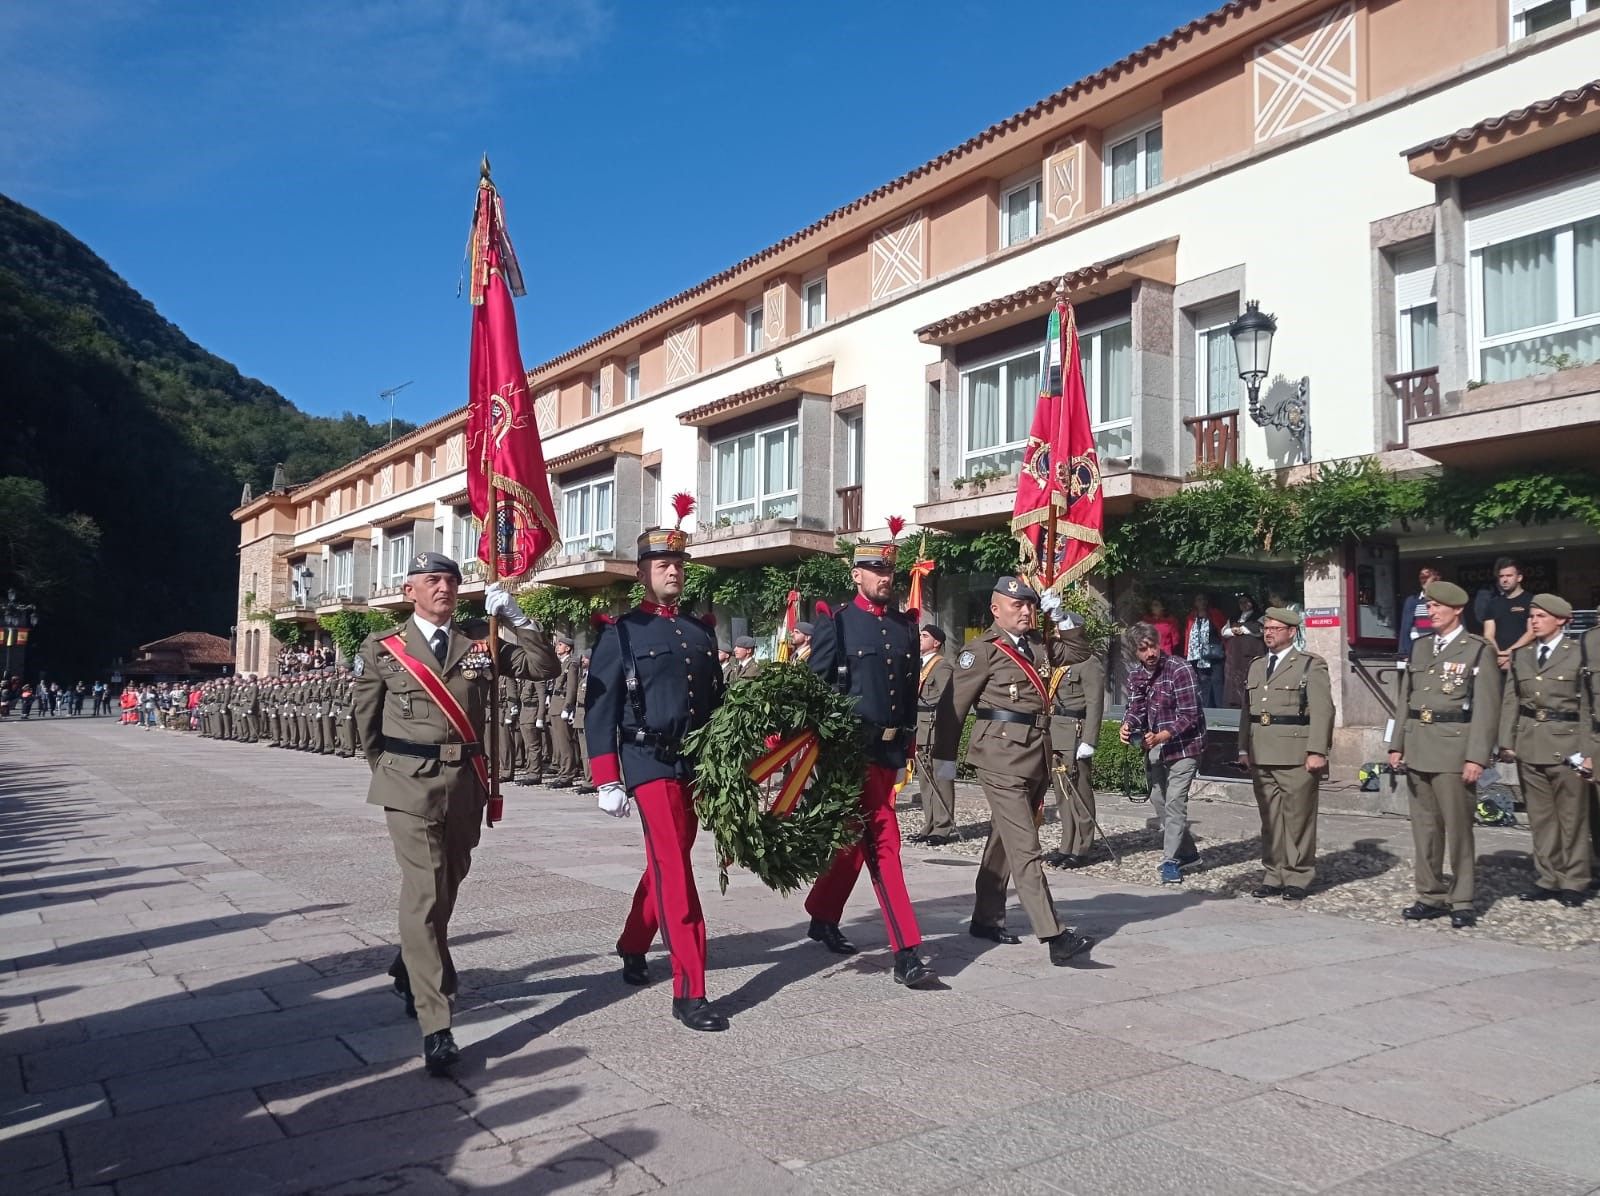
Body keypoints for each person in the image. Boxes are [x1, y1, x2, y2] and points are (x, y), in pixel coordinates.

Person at [352, 551, 558, 1075]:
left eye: (450, 580)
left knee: (448, 884)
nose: (443, 588)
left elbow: (542, 667)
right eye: (432, 580)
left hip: (467, 782)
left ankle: (408, 960)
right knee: (425, 890)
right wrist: (393, 774)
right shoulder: (385, 650)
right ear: (410, 591)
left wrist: (517, 619)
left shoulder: (480, 644)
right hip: (410, 785)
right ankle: (436, 1020)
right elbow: (366, 723)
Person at [586, 523, 729, 1031]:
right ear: (642, 572)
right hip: (648, 764)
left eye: (679, 563)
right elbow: (600, 710)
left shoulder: (699, 631)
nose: (673, 570)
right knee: (676, 869)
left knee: (669, 862)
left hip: (695, 763)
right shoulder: (620, 632)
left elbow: (716, 705)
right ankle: (690, 988)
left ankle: (631, 943)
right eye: (662, 563)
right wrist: (607, 777)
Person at [802, 538, 936, 987]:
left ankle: (821, 913)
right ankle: (907, 951)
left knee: (854, 842)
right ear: (856, 575)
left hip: (887, 752)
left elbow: (907, 694)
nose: (884, 578)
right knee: (884, 844)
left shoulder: (903, 627)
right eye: (875, 571)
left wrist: (909, 746)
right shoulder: (836, 625)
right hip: (848, 756)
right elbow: (812, 693)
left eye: (889, 572)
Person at [945, 578, 1096, 965]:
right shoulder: (981, 651)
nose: (1026, 612)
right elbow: (954, 708)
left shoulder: (1038, 647)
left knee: (1003, 841)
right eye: (1018, 606)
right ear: (996, 610)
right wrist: (944, 762)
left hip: (1035, 756)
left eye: (1030, 605)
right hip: (1000, 758)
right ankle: (1055, 935)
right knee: (1026, 846)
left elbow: (1080, 650)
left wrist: (1060, 616)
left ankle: (985, 918)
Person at [1387, 580, 1501, 929]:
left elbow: (1486, 708)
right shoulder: (1421, 648)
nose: (1430, 612)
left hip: (1454, 749)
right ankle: (1429, 894)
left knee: (1458, 829)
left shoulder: (1477, 649)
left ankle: (1463, 898)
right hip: (1419, 745)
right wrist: (1396, 744)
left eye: (1437, 607)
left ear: (1456, 610)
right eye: (1429, 606)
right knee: (1424, 827)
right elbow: (1405, 699)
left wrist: (1477, 757)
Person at [1237, 608, 1333, 900]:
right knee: (1270, 819)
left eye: (1276, 628)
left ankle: (1298, 875)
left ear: (1292, 632)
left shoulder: (1309, 665)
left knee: (1298, 818)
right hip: (1262, 751)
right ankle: (1274, 873)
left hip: (1295, 753)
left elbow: (1323, 711)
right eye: (1266, 628)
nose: (1269, 633)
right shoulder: (1256, 665)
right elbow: (1247, 712)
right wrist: (1243, 747)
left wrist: (1317, 751)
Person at [1499, 594, 1588, 907]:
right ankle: (1548, 877)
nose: (1534, 621)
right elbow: (1511, 699)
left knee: (1572, 818)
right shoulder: (1522, 655)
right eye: (1532, 616)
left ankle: (1575, 880)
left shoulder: (1579, 654)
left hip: (1568, 744)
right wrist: (1506, 740)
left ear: (1561, 620)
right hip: (1530, 742)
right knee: (1540, 818)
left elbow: (1589, 704)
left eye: (1541, 616)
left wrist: (1588, 749)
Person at [1121, 623, 1207, 884]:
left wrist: (1162, 735)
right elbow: (1136, 708)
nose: (1150, 653)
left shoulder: (1179, 669)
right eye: (1143, 649)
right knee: (1159, 799)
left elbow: (1190, 714)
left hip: (1185, 745)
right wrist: (1128, 724)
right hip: (1156, 746)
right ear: (1135, 652)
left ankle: (1171, 860)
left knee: (1175, 802)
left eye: (1153, 646)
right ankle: (1190, 854)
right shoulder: (1137, 675)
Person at [1045, 620, 1105, 869]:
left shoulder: (1089, 663)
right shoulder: (1062, 661)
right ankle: (1066, 845)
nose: (1057, 634)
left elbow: (1095, 704)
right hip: (1056, 730)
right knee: (1061, 793)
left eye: (1062, 631)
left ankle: (1082, 847)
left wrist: (1089, 740)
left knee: (1079, 792)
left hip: (1075, 732)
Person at [910, 624, 958, 846]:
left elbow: (947, 701)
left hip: (936, 729)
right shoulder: (920, 666)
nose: (920, 638)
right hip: (921, 729)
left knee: (942, 779)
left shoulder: (942, 667)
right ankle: (929, 824)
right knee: (925, 780)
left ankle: (943, 827)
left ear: (936, 642)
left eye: (925, 636)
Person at [1483, 558, 1535, 671]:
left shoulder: (1531, 601)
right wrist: (1499, 654)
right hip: (1498, 661)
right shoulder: (1493, 604)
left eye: (1509, 576)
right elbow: (1488, 634)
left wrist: (1509, 652)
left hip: (1524, 659)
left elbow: (1531, 632)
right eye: (1501, 576)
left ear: (1519, 578)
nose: (1504, 580)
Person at [544, 634, 581, 787]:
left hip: (562, 705)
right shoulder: (558, 664)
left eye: (560, 645)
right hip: (554, 704)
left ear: (567, 648)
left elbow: (572, 687)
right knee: (559, 743)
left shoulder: (570, 664)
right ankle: (564, 770)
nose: (557, 647)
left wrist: (568, 706)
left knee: (565, 742)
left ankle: (567, 774)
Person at [1221, 593, 1266, 709]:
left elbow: (1261, 630)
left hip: (1251, 652)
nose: (1244, 605)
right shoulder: (1234, 617)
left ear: (1252, 602)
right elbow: (1224, 632)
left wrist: (1243, 629)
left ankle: (1250, 702)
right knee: (1234, 679)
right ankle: (1235, 702)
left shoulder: (1260, 616)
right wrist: (1233, 631)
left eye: (1246, 602)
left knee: (1249, 676)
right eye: (1241, 602)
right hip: (1235, 654)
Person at [1182, 592, 1226, 708]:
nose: (1202, 602)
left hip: (1214, 654)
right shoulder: (1192, 617)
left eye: (1203, 599)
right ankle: (1206, 710)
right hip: (1198, 656)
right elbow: (1188, 635)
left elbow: (1223, 631)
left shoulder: (1214, 614)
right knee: (1203, 683)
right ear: (1195, 603)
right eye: (1199, 600)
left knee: (1217, 682)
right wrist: (1187, 653)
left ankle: (1220, 710)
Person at [1397, 565, 1442, 655]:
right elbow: (1405, 628)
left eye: (1427, 577)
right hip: (1417, 647)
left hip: (1440, 646)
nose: (1423, 580)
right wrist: (1404, 652)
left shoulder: (1445, 599)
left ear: (1437, 578)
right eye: (1421, 577)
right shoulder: (1413, 601)